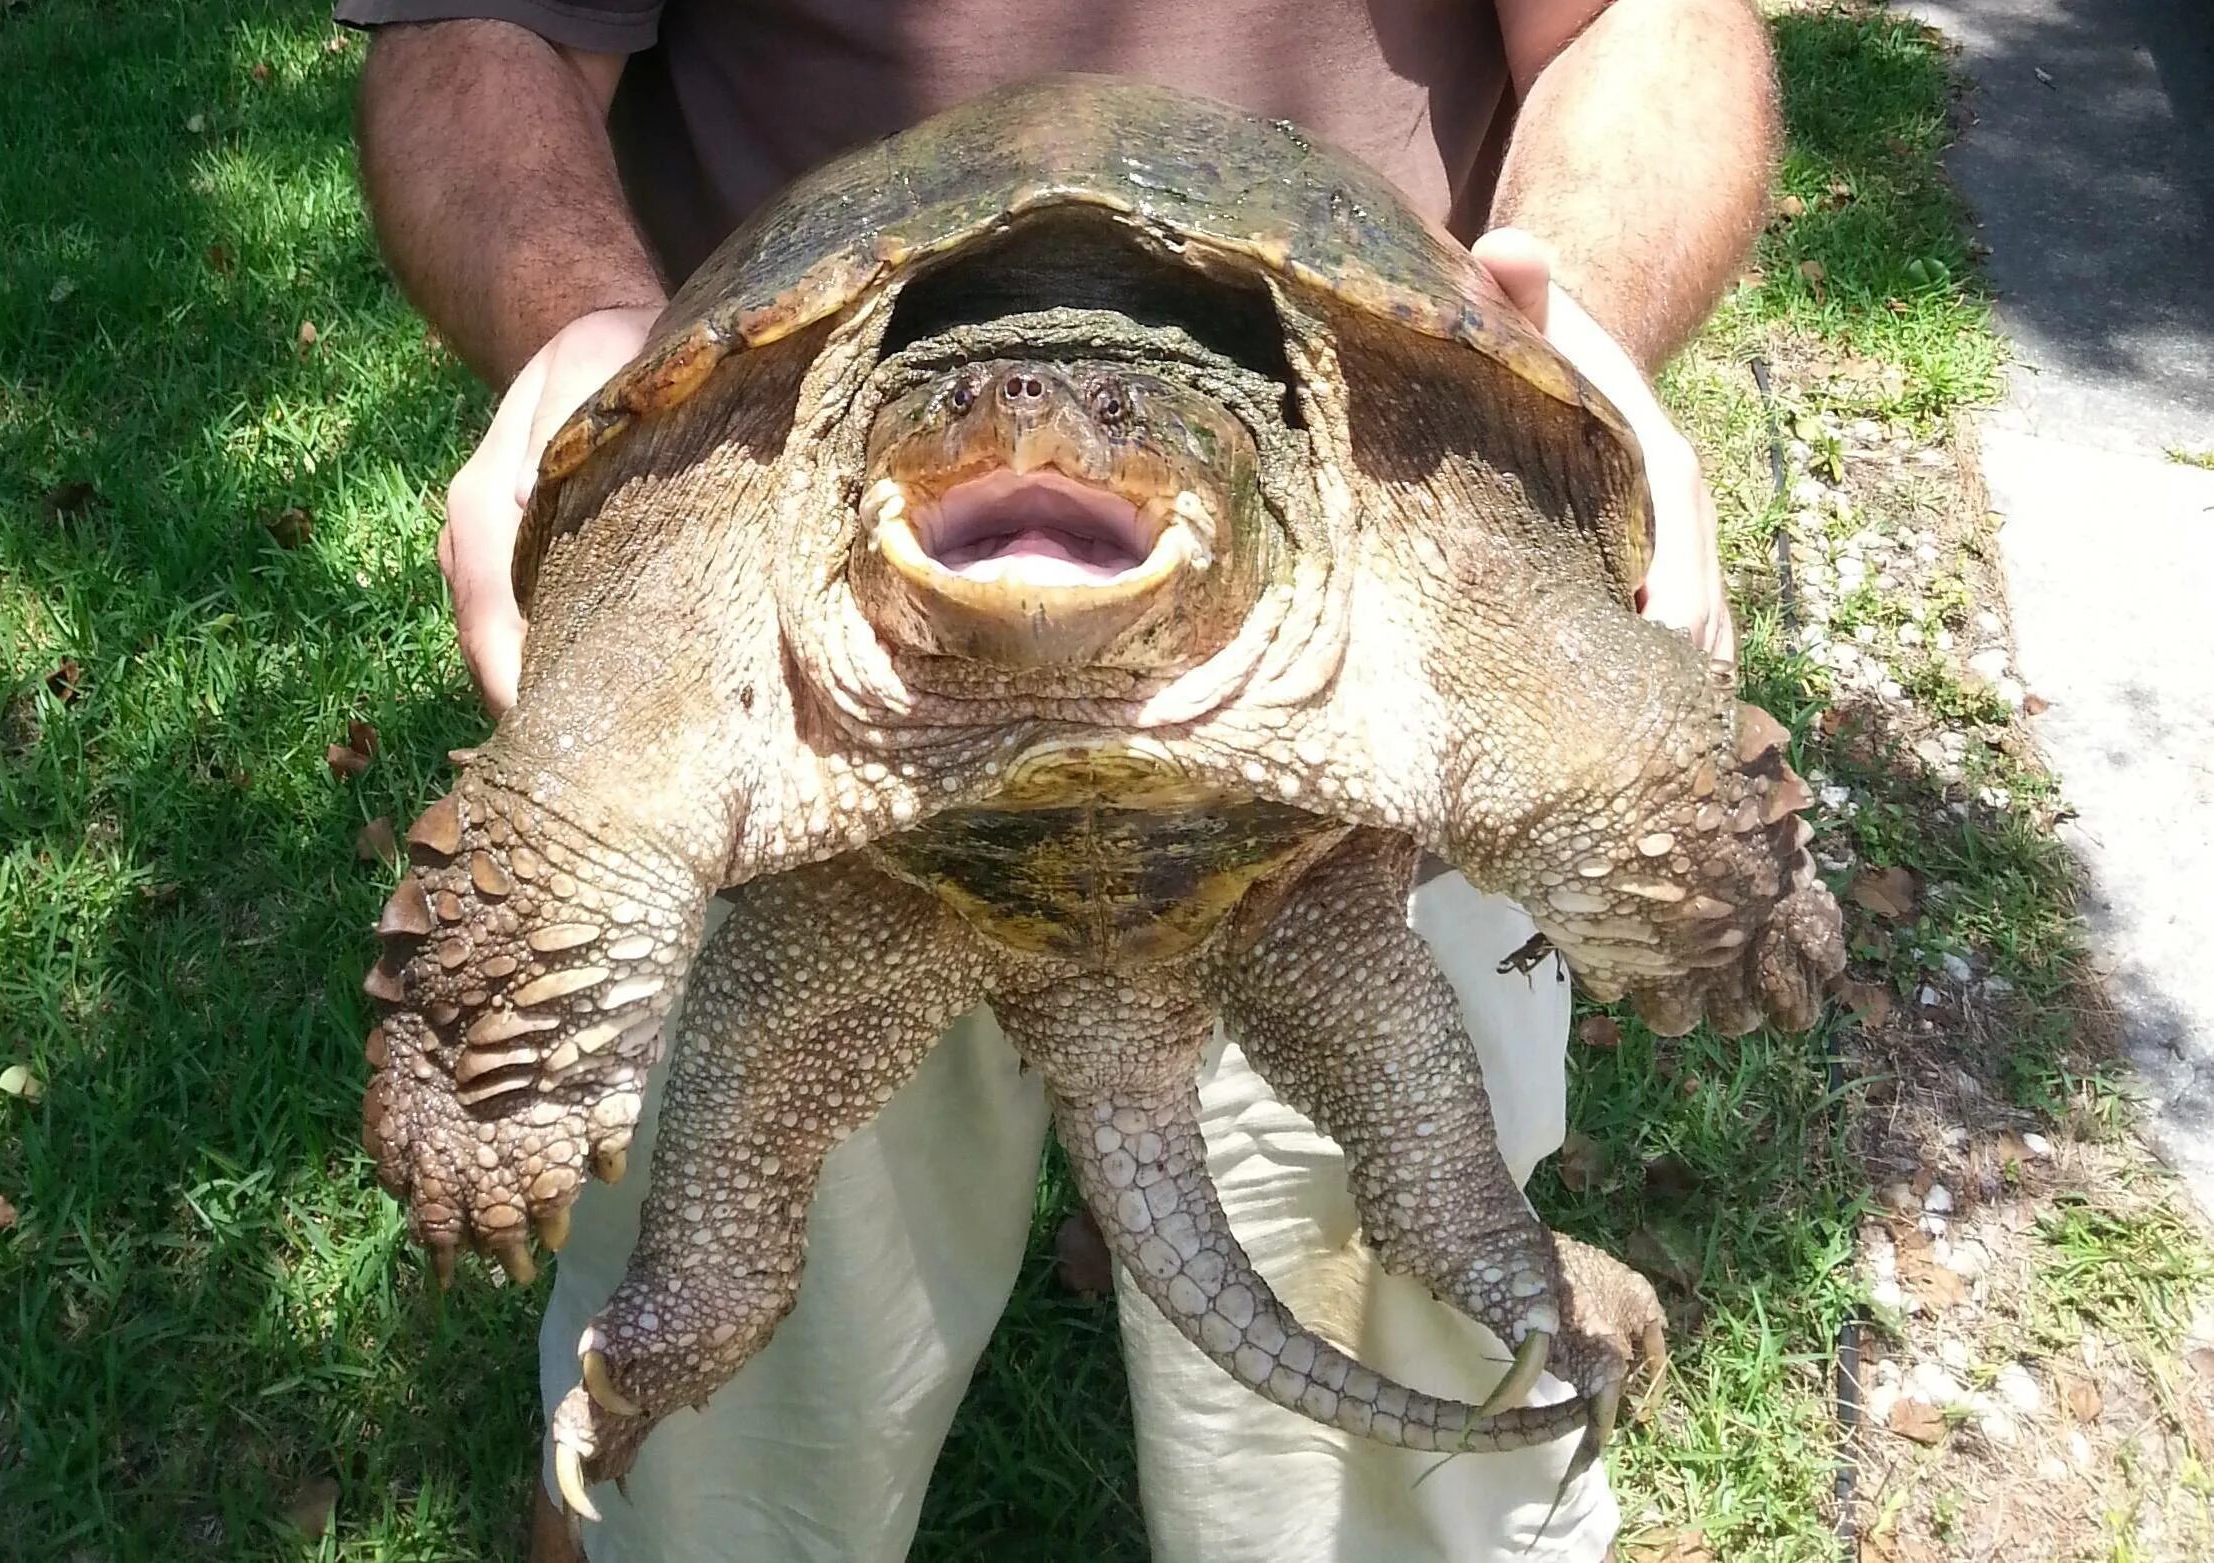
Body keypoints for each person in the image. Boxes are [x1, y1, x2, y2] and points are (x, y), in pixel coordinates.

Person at [333, 5, 1776, 1559]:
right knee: (699, 1475)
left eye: (1101, 426)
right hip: (784, 662)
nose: (1027, 429)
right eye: (972, 419)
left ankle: (1512, 1302)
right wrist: (576, 332)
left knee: (1411, 1429)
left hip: (1367, 673)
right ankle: (636, 1408)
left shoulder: (1399, 532)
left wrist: (1582, 340)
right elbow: (480, 27)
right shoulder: (761, 519)